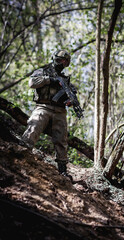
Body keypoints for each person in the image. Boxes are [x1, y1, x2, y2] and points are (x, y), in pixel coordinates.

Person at [22, 49, 73, 178]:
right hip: (43, 106)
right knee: (34, 125)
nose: (62, 63)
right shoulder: (42, 71)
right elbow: (32, 83)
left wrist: (69, 100)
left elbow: (70, 97)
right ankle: (22, 152)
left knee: (61, 139)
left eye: (65, 61)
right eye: (60, 60)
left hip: (60, 111)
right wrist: (50, 80)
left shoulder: (66, 80)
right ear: (54, 59)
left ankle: (62, 169)